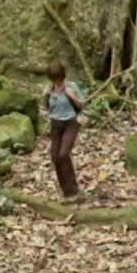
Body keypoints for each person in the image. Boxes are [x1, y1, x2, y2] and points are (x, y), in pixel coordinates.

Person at [42, 61, 85, 199]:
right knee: (55, 157)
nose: (57, 82)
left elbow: (82, 104)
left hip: (71, 122)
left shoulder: (71, 86)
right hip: (56, 124)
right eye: (55, 79)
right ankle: (66, 190)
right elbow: (48, 108)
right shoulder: (50, 89)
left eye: (59, 79)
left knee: (63, 154)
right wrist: (45, 96)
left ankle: (73, 188)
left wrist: (72, 96)